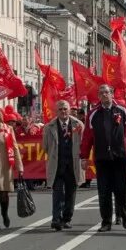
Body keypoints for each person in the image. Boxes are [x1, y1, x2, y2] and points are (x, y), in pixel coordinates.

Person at [81, 85, 126, 231]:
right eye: (101, 93)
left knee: (121, 189)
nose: (104, 95)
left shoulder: (123, 110)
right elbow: (87, 137)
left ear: (112, 93)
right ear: (98, 96)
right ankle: (106, 221)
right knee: (104, 190)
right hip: (102, 157)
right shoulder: (93, 113)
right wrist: (84, 157)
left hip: (121, 156)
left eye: (106, 92)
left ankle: (123, 214)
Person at [43, 99, 84, 232]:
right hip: (57, 165)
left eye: (65, 108)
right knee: (57, 193)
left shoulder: (78, 124)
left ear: (70, 109)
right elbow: (45, 147)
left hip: (73, 165)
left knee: (71, 194)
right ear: (56, 111)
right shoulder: (49, 127)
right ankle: (56, 219)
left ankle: (67, 218)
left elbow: (83, 143)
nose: (63, 111)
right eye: (60, 109)